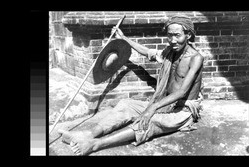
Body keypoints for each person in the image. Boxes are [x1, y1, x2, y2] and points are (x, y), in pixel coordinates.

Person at [58, 14, 204, 155]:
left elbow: (182, 92)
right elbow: (148, 52)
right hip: (164, 104)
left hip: (181, 111)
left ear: (188, 35)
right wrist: (123, 39)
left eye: (177, 35)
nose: (172, 40)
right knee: (126, 104)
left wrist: (152, 108)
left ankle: (94, 144)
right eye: (170, 35)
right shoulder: (170, 51)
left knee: (151, 120)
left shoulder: (195, 58)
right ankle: (88, 134)